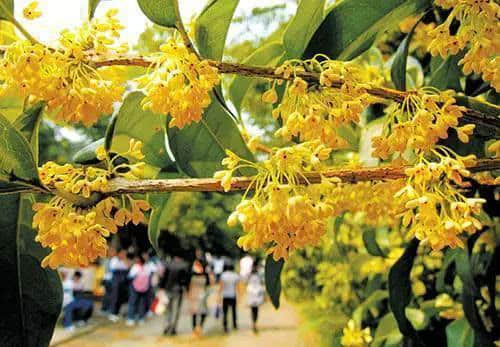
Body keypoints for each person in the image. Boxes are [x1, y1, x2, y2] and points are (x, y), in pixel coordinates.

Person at [159, 255, 189, 336]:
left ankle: (166, 326)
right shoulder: (184, 266)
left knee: (168, 310)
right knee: (176, 310)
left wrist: (161, 288)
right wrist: (187, 290)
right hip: (178, 291)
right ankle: (173, 328)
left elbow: (163, 278)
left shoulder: (168, 264)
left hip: (168, 290)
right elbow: (185, 280)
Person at [126, 254, 151, 326]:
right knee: (142, 303)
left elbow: (130, 276)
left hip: (134, 288)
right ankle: (141, 318)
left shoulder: (135, 267)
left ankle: (131, 318)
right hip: (144, 288)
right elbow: (149, 277)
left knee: (132, 302)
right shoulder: (147, 267)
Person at [188, 257, 210, 337]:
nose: (195, 265)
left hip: (202, 295)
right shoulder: (192, 273)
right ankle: (194, 330)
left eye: (197, 264)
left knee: (203, 312)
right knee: (194, 312)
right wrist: (189, 295)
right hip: (194, 294)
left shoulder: (206, 274)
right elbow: (189, 285)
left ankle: (200, 326)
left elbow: (209, 284)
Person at [108, 249, 130, 322]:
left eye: (125, 254)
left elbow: (127, 267)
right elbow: (113, 268)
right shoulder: (114, 260)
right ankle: (112, 313)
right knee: (114, 297)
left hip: (122, 282)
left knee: (120, 298)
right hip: (115, 281)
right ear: (119, 253)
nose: (124, 256)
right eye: (123, 254)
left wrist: (124, 260)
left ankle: (116, 313)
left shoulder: (123, 261)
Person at [219, 263, 240, 333]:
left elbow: (221, 287)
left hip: (225, 296)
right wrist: (239, 296)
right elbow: (237, 287)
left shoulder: (223, 275)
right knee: (234, 311)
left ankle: (225, 326)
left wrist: (218, 296)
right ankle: (235, 325)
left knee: (225, 312)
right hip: (232, 295)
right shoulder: (235, 275)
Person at [246, 262, 265, 333]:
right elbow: (262, 283)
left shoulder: (249, 275)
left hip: (251, 293)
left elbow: (246, 282)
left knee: (252, 310)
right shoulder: (259, 274)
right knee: (256, 310)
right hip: (257, 293)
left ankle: (253, 323)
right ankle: (255, 323)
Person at [100, 248, 116, 314]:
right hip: (107, 279)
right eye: (112, 252)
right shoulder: (107, 261)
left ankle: (107, 308)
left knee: (109, 294)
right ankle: (105, 308)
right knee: (107, 295)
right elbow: (105, 271)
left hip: (110, 279)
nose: (114, 254)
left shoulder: (112, 260)